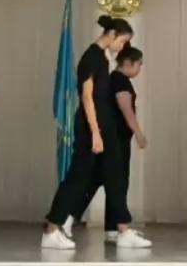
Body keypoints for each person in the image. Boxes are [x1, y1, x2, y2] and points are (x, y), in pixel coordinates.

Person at [41, 16, 151, 250]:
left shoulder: (101, 58)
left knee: (115, 177)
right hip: (92, 129)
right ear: (111, 35)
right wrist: (95, 132)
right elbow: (87, 97)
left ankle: (123, 230)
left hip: (105, 128)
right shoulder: (91, 58)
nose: (123, 46)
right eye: (122, 41)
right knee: (77, 179)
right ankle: (51, 230)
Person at [70, 45, 146, 243]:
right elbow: (126, 107)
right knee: (116, 183)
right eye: (139, 64)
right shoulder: (120, 80)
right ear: (128, 63)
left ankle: (111, 227)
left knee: (101, 181)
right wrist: (138, 133)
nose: (140, 68)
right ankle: (73, 218)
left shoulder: (113, 79)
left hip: (112, 139)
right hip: (116, 141)